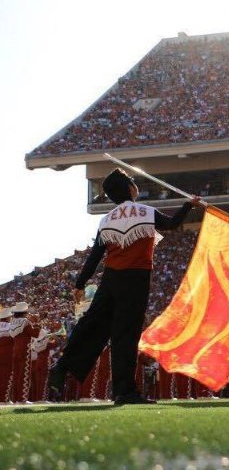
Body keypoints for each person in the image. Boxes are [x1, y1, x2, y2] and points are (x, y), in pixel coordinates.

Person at [49, 168, 201, 405]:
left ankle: (62, 367)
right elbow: (172, 224)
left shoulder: (106, 219)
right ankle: (124, 391)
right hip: (135, 279)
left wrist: (80, 284)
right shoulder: (146, 212)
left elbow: (95, 256)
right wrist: (188, 204)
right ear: (130, 189)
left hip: (110, 279)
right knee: (125, 336)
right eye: (132, 182)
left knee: (93, 325)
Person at [0, 308, 13, 402]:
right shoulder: (11, 326)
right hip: (8, 355)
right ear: (8, 317)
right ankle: (3, 399)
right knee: (5, 378)